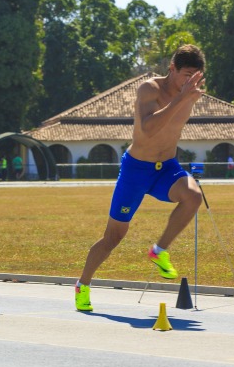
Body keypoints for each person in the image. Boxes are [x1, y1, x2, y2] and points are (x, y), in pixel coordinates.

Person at [75, 44, 206, 312]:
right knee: (113, 237)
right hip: (136, 170)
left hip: (166, 167)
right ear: (172, 69)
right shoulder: (150, 89)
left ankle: (159, 251)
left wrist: (185, 95)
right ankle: (82, 285)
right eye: (187, 74)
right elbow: (147, 129)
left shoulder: (190, 94)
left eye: (197, 76)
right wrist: (180, 98)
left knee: (193, 197)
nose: (191, 81)